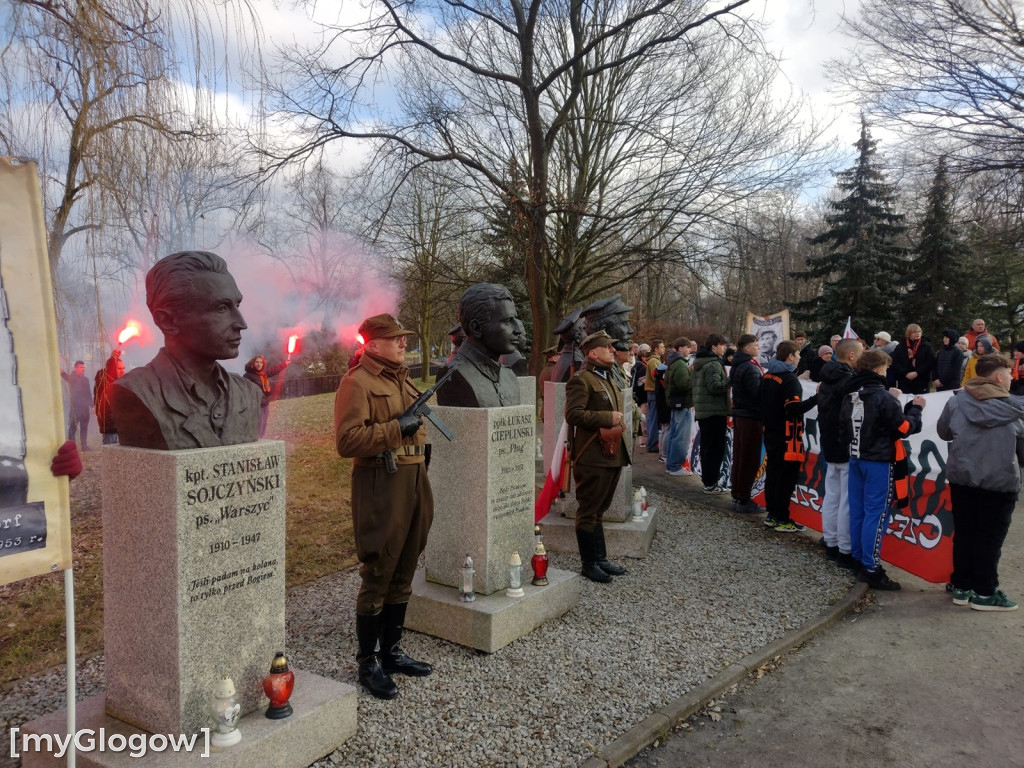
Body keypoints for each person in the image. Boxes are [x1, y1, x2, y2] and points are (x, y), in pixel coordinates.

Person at [334, 313, 434, 699]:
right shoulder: (356, 382)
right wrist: (397, 428)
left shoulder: (403, 379)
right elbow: (347, 441)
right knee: (379, 570)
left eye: (403, 338)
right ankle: (368, 660)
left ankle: (392, 651)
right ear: (373, 344)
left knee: (406, 565)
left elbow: (418, 429)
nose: (403, 344)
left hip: (413, 481)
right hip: (381, 484)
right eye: (396, 339)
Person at [108, 251, 261, 450]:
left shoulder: (248, 393)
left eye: (237, 305)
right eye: (221, 308)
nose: (241, 323)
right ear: (168, 321)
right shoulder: (136, 391)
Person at [938, 353, 1023, 611]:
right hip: (999, 481)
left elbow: (944, 432)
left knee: (965, 532)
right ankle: (985, 592)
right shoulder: (1016, 408)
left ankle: (961, 585)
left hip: (962, 477)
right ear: (999, 377)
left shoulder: (956, 402)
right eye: (1009, 374)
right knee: (990, 537)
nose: (1011, 379)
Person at [840, 349, 925, 590]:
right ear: (878, 370)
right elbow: (905, 428)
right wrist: (916, 408)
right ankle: (871, 567)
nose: (887, 372)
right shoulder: (883, 397)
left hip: (856, 458)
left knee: (858, 511)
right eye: (886, 369)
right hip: (878, 462)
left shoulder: (851, 395)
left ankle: (858, 558)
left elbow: (843, 430)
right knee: (876, 516)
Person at [565, 330, 630, 583]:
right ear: (593, 353)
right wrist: (607, 418)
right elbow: (573, 415)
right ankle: (589, 564)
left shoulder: (608, 378)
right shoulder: (582, 380)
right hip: (592, 455)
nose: (613, 350)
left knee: (599, 511)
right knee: (588, 510)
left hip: (610, 453)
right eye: (607, 347)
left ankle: (601, 559)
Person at [758, 340, 817, 532]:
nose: (800, 359)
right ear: (790, 356)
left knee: (773, 474)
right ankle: (782, 518)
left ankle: (772, 515)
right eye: (798, 355)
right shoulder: (790, 379)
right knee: (785, 478)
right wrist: (817, 398)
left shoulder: (768, 375)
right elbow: (793, 409)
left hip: (771, 432)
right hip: (787, 436)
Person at [436, 283, 522, 408]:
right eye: (508, 321)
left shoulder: (509, 376)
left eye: (515, 320)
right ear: (476, 328)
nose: (517, 329)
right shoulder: (452, 375)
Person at [817, 339, 863, 568]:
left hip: (829, 440)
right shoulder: (849, 381)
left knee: (833, 494)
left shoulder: (826, 378)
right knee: (845, 497)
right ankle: (844, 548)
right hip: (843, 442)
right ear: (852, 356)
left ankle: (831, 541)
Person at [728, 334, 765, 512]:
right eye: (756, 345)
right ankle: (743, 498)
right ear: (747, 348)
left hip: (742, 414)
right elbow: (757, 394)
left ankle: (738, 494)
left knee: (740, 456)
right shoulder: (749, 367)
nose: (758, 348)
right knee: (749, 457)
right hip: (750, 416)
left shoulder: (739, 364)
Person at [693, 334, 731, 493]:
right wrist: (731, 380)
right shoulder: (713, 364)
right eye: (722, 345)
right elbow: (715, 387)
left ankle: (708, 481)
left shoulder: (700, 362)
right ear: (713, 346)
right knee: (714, 449)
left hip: (705, 411)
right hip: (714, 411)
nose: (725, 348)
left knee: (707, 448)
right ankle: (711, 483)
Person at [665, 338, 694, 477]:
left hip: (675, 403)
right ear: (680, 348)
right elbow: (683, 384)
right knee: (681, 436)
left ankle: (671, 464)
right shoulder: (680, 364)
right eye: (688, 348)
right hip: (683, 404)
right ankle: (675, 466)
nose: (690, 350)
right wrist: (693, 375)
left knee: (673, 435)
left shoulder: (673, 362)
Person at [244, 355, 291, 438]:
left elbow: (274, 370)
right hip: (256, 405)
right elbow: (246, 391)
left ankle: (261, 440)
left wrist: (285, 364)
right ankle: (256, 441)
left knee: (264, 424)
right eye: (257, 362)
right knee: (258, 424)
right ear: (252, 363)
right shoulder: (247, 376)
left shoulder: (263, 374)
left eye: (261, 362)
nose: (259, 364)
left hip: (265, 404)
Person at [890, 323, 936, 395]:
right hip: (904, 380)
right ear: (909, 333)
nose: (917, 334)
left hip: (921, 380)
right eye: (914, 332)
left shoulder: (926, 345)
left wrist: (917, 372)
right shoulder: (901, 346)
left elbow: (930, 362)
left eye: (919, 332)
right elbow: (895, 361)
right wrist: (905, 373)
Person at [60, 361, 93, 451]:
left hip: (85, 408)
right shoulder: (72, 378)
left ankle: (84, 446)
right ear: (76, 368)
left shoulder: (86, 379)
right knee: (72, 427)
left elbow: (88, 393)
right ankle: (71, 447)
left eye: (84, 367)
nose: (83, 369)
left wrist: (92, 406)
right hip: (76, 407)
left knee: (84, 427)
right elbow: (67, 377)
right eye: (81, 367)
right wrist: (62, 373)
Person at [94, 349, 125, 445]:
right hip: (110, 431)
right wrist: (112, 360)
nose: (122, 371)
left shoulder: (121, 384)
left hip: (122, 430)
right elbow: (108, 375)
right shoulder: (103, 382)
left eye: (123, 368)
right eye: (119, 369)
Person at [643, 339, 665, 453]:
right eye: (662, 347)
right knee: (653, 419)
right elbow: (656, 376)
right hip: (653, 392)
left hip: (652, 393)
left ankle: (652, 443)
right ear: (656, 349)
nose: (664, 349)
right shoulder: (654, 361)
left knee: (652, 418)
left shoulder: (655, 360)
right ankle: (652, 444)